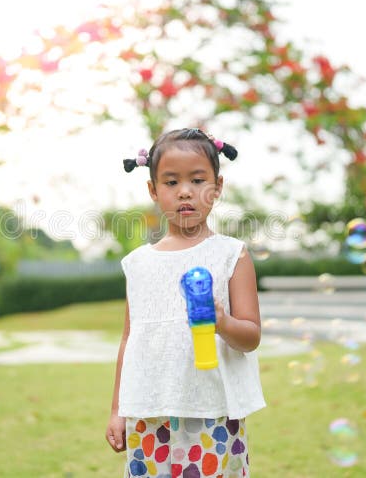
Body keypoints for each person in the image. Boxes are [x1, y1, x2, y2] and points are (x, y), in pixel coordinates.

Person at [106, 128, 266, 477]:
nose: (185, 192)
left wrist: (222, 321)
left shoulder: (231, 255)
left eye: (197, 180)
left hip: (212, 411)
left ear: (218, 187)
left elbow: (251, 336)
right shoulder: (138, 263)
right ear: (152, 190)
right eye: (171, 182)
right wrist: (118, 409)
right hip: (150, 413)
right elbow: (128, 339)